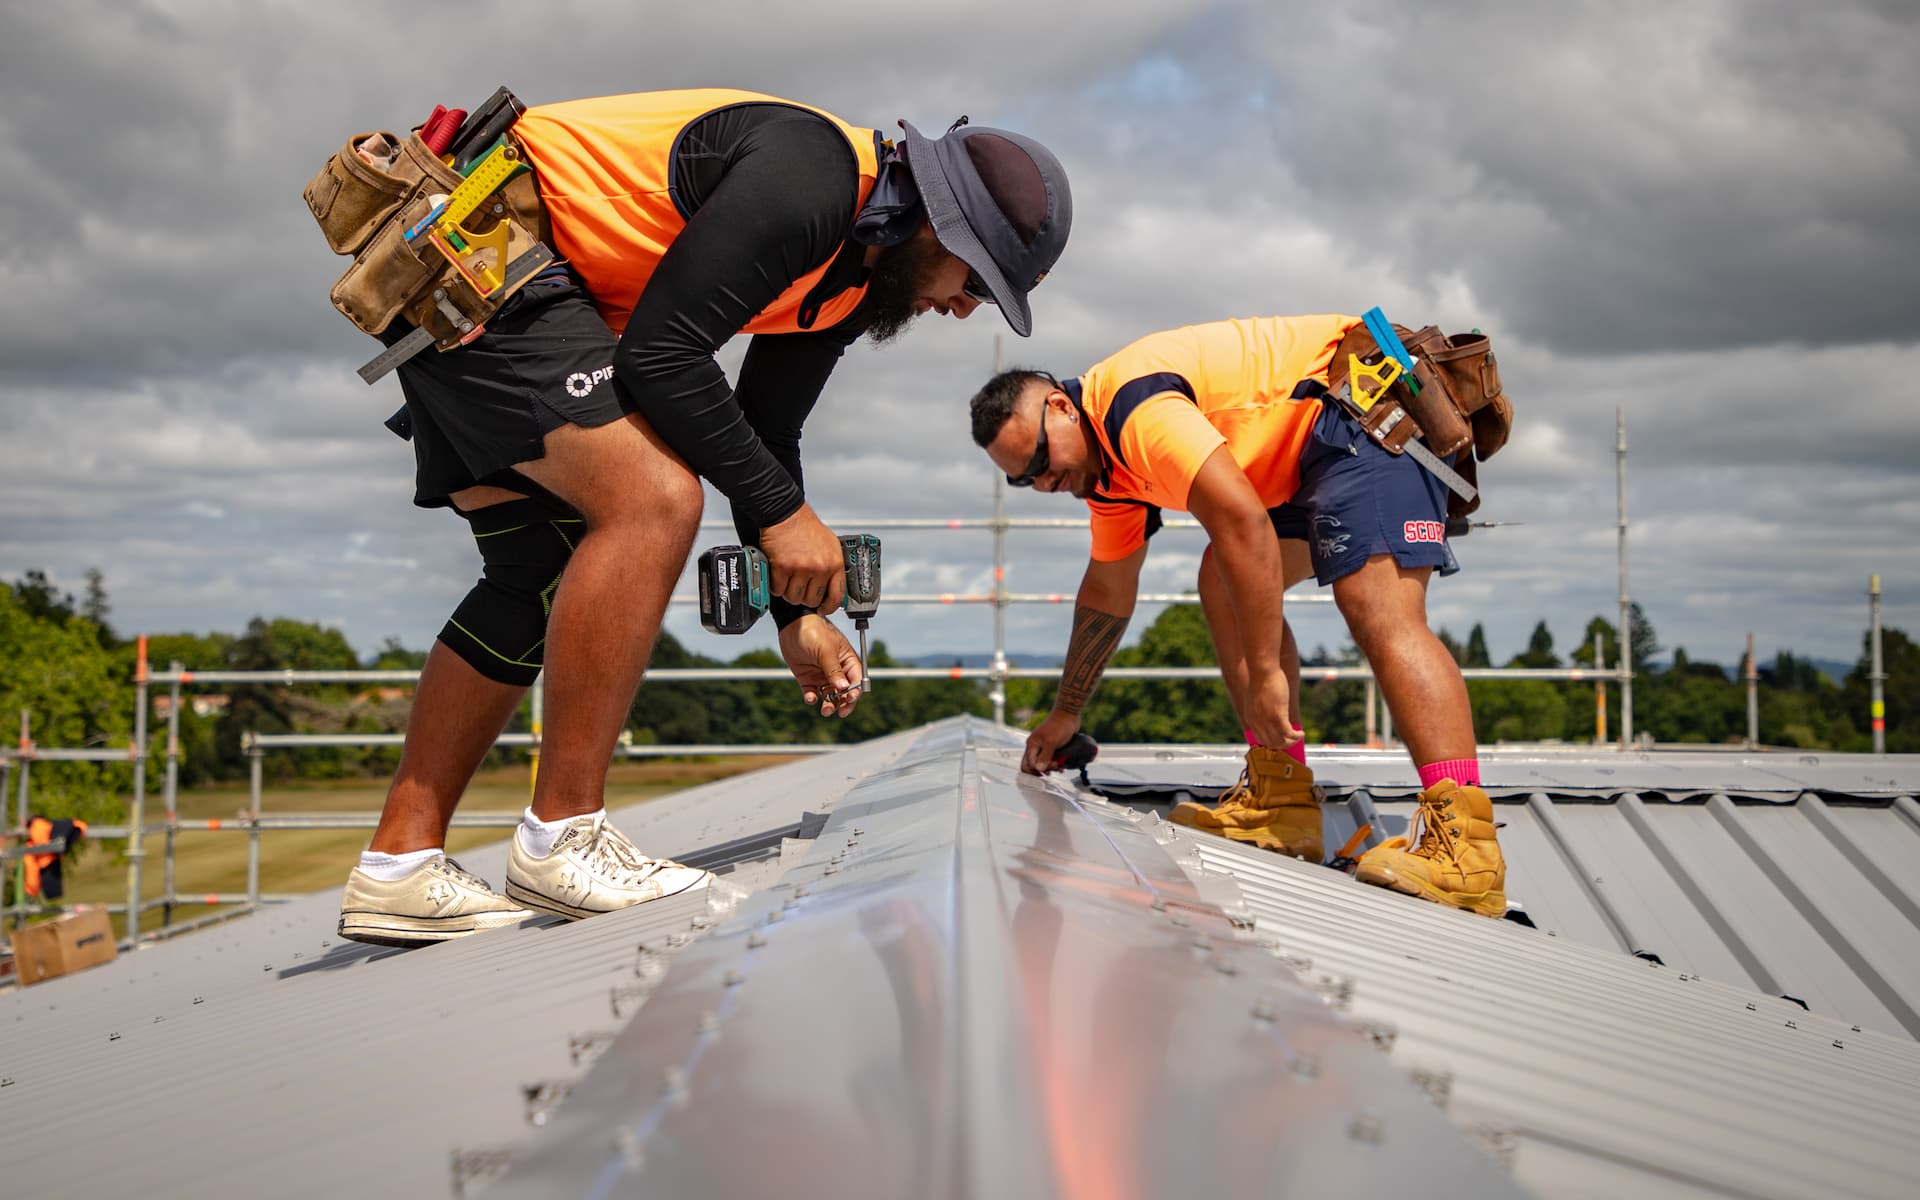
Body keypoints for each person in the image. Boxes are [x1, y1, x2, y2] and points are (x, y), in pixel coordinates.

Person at [332, 89, 1072, 945]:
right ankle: (564, 838)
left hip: (476, 283)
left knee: (535, 565)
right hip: (479, 249)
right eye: (978, 280)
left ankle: (398, 866)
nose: (967, 307)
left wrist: (796, 612)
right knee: (653, 500)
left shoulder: (855, 275)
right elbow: (662, 357)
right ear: (939, 224)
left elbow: (763, 428)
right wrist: (783, 514)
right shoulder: (815, 180)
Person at [967, 315, 1507, 917]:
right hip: (1310, 452)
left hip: (1364, 402)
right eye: (1023, 479)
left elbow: (1242, 521)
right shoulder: (1108, 476)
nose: (1042, 481)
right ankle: (1282, 802)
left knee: (1377, 606)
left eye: (1041, 457)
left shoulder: (1133, 408)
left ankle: (1467, 849)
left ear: (1064, 407)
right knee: (1221, 580)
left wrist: (1265, 672)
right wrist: (1066, 714)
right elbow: (1108, 588)